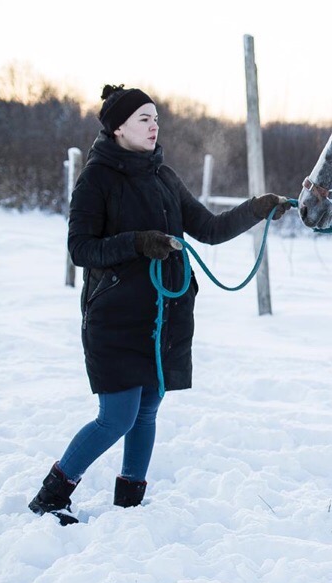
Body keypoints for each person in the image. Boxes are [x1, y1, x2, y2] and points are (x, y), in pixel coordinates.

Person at [28, 84, 292, 525]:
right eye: (144, 119)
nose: (154, 127)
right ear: (118, 128)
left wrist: (257, 209)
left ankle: (129, 502)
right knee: (116, 417)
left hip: (163, 315)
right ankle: (50, 497)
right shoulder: (97, 178)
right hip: (115, 317)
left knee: (148, 407)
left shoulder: (163, 176)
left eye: (156, 119)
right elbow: (80, 249)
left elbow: (209, 228)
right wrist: (138, 243)